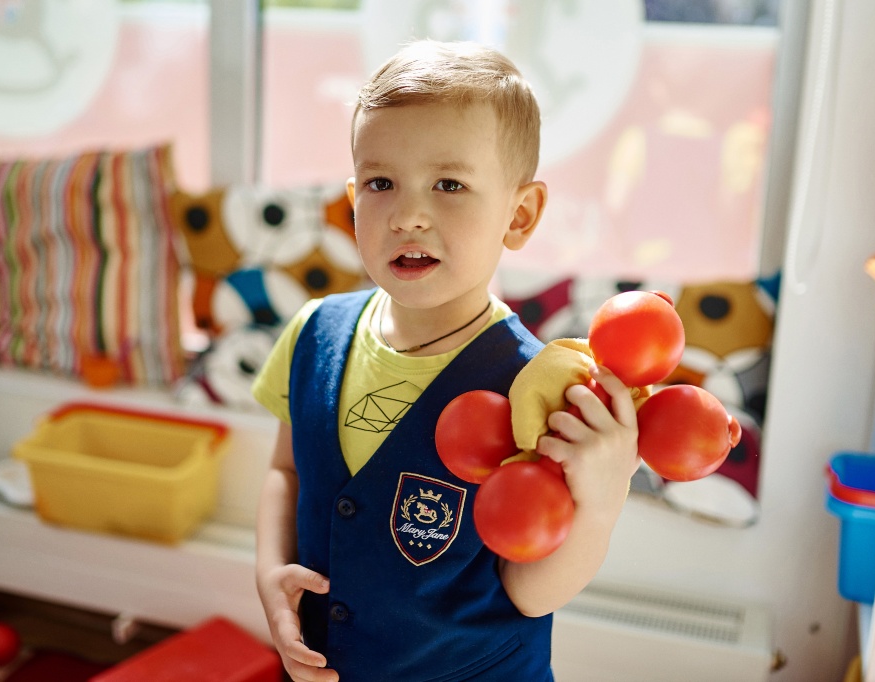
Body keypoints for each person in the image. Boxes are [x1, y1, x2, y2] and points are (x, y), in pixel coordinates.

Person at [251, 39, 640, 681]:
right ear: (353, 200)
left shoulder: (541, 389)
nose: (408, 214)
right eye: (381, 183)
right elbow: (285, 471)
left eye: (449, 184)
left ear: (520, 215)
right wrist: (269, 573)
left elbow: (530, 590)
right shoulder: (312, 334)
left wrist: (600, 504)